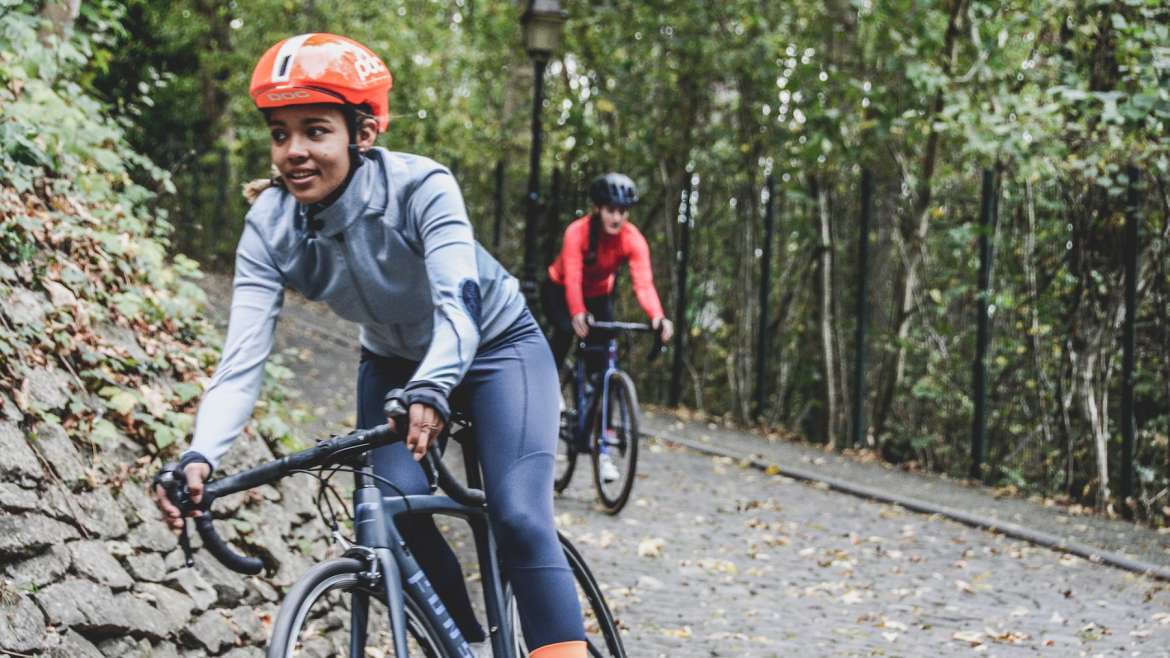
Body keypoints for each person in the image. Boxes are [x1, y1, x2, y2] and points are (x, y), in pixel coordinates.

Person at [151, 33, 585, 658]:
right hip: (392, 360)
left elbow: (457, 308)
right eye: (280, 133)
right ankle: (464, 646)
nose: (293, 152)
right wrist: (200, 455)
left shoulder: (421, 188)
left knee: (518, 516)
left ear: (363, 134)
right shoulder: (271, 227)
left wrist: (434, 386)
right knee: (394, 511)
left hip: (495, 347)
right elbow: (241, 362)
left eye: (315, 130)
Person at [542, 173, 673, 481]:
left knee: (604, 368)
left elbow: (643, 283)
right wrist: (576, 313)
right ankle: (551, 389)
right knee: (564, 331)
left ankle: (603, 451)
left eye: (623, 211)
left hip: (599, 293)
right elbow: (572, 276)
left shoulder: (632, 239)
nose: (617, 216)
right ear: (598, 209)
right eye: (611, 209)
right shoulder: (578, 233)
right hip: (560, 288)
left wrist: (657, 315)